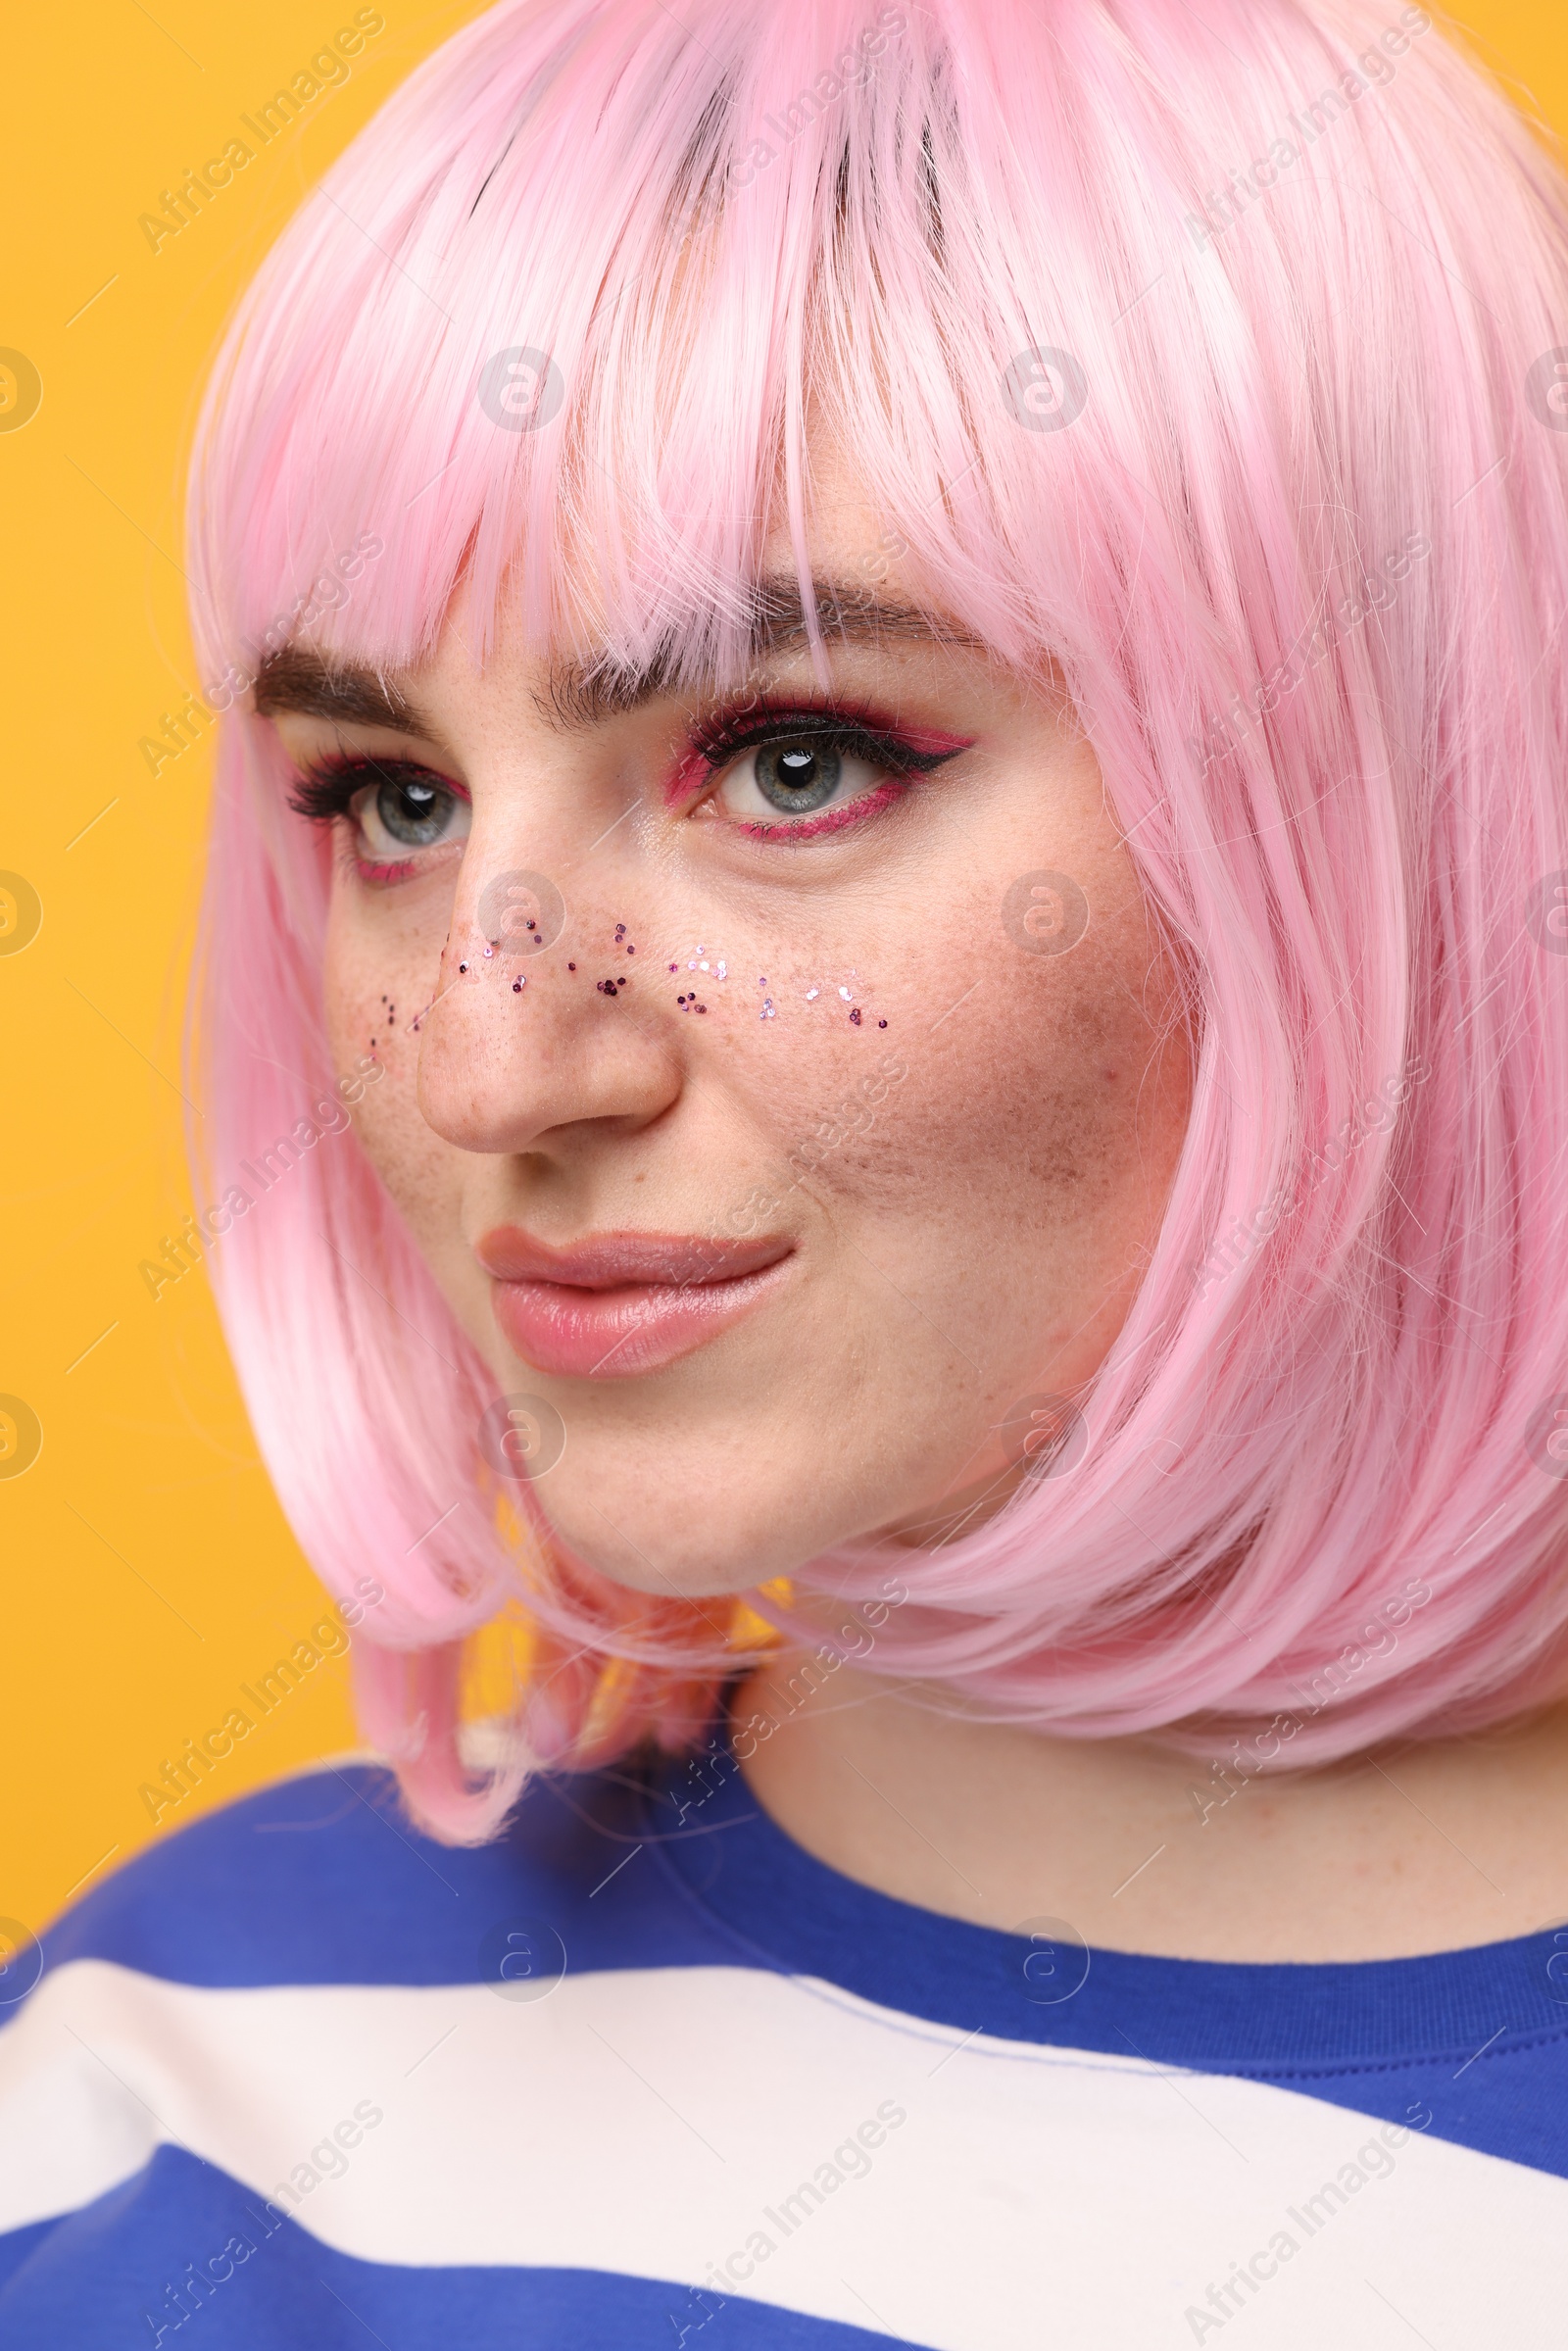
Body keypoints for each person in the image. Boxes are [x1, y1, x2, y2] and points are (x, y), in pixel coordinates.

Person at [6, 0, 1568, 2339]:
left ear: (1389, 801)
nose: (494, 1064)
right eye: (390, 800)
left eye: (796, 760)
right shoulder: (157, 2104)